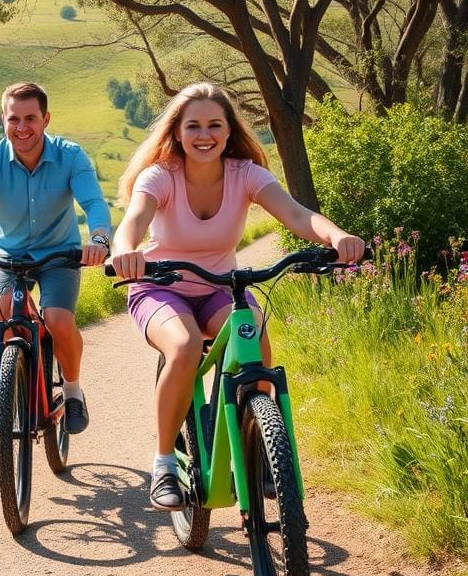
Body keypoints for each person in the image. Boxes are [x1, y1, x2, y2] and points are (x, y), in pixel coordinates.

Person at [109, 82, 365, 511]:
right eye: (193, 126)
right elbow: (133, 221)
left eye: (214, 124)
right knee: (186, 346)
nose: (204, 134)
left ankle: (261, 443)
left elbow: (298, 214)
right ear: (177, 132)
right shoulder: (161, 176)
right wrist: (125, 253)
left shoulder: (245, 174)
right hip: (158, 286)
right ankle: (164, 462)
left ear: (229, 132)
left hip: (219, 287)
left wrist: (337, 236)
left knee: (255, 336)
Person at [0, 81, 112, 434]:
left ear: (46, 119)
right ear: (3, 119)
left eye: (31, 118)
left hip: (59, 253)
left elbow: (93, 202)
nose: (22, 127)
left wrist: (99, 239)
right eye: (14, 119)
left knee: (58, 320)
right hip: (6, 255)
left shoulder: (70, 156)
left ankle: (73, 390)